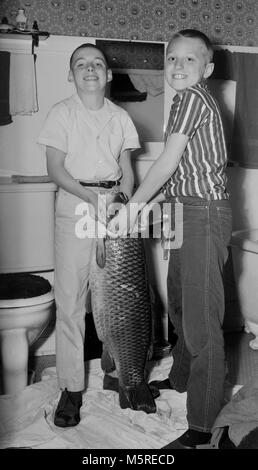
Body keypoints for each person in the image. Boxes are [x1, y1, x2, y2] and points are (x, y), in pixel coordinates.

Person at [108, 29, 232, 449]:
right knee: (179, 303)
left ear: (207, 69)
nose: (178, 67)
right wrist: (147, 206)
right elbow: (175, 175)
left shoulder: (193, 98)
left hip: (204, 215)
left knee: (202, 326)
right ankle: (181, 378)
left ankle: (202, 426)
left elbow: (165, 162)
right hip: (184, 210)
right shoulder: (184, 102)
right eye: (172, 59)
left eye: (189, 60)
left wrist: (131, 209)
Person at [38, 43, 140, 427]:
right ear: (71, 75)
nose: (90, 69)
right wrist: (89, 197)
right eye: (81, 64)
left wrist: (124, 203)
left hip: (114, 209)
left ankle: (117, 372)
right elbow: (55, 168)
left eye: (97, 63)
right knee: (70, 301)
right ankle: (71, 388)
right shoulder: (61, 114)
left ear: (109, 75)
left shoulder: (121, 118)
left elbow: (126, 168)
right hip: (75, 204)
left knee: (119, 294)